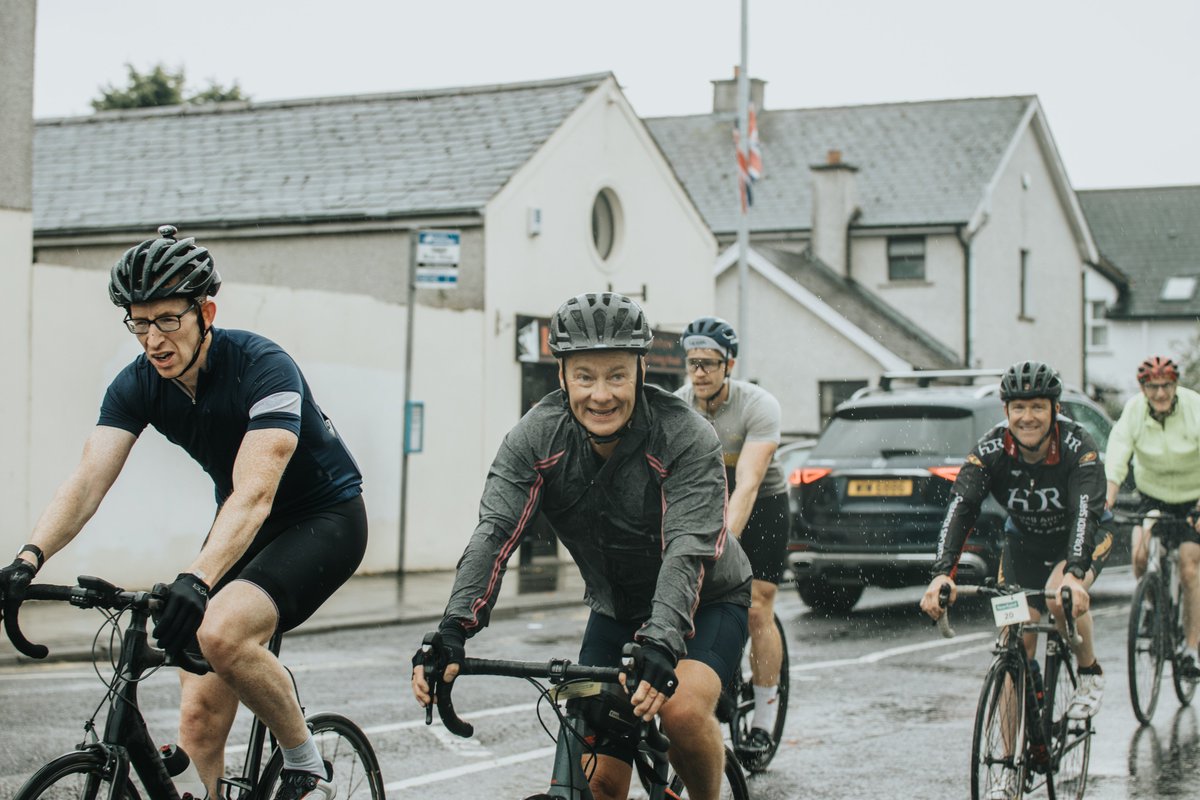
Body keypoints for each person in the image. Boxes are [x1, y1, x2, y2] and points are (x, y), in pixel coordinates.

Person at [0, 226, 367, 800]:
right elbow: (89, 479)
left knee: (221, 631)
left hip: (324, 519)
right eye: (139, 323)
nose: (153, 339)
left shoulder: (264, 366)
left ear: (206, 313)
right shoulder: (138, 384)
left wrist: (197, 578)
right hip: (240, 525)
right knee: (196, 725)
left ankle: (304, 757)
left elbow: (255, 491)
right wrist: (29, 558)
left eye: (168, 320)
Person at [410, 292, 752, 800]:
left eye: (616, 376)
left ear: (641, 371)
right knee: (599, 784)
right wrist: (452, 629)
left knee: (680, 711)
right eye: (585, 377)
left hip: (707, 602)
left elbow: (687, 549)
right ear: (563, 376)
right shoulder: (535, 436)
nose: (601, 395)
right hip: (616, 610)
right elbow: (494, 532)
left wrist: (661, 642)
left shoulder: (686, 435)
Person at [920, 361, 1113, 728]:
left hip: (1081, 538)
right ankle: (1007, 761)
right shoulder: (991, 448)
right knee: (1013, 642)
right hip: (1023, 544)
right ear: (1006, 410)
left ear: (1055, 409)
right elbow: (961, 507)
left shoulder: (1078, 446)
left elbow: (1084, 513)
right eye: (1019, 407)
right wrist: (942, 573)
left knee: (1059, 598)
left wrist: (1075, 573)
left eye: (1038, 406)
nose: (1028, 417)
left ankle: (1089, 672)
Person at [675, 316, 789, 762]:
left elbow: (748, 482)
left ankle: (763, 719)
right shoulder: (679, 406)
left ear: (729, 365)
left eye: (709, 363)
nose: (699, 372)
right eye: (692, 363)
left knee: (758, 605)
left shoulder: (758, 405)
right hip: (709, 497)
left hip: (762, 504)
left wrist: (720, 548)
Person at [1104, 356, 1200, 677]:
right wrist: (1109, 494)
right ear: (1143, 388)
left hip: (1192, 498)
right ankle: (1150, 603)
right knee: (1140, 554)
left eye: (1166, 386)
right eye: (1153, 387)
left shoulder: (1194, 407)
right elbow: (1118, 449)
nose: (1160, 393)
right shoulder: (1134, 410)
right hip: (1153, 495)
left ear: (1176, 385)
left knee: (1189, 568)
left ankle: (1192, 649)